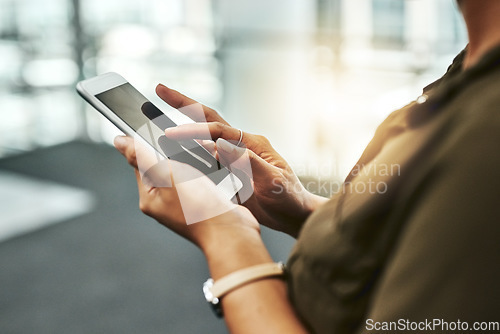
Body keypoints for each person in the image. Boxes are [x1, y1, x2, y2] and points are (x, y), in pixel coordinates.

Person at [113, 0, 500, 332]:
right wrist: (301, 207)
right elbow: (418, 238)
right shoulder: (470, 64)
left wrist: (227, 237)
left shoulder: (489, 126)